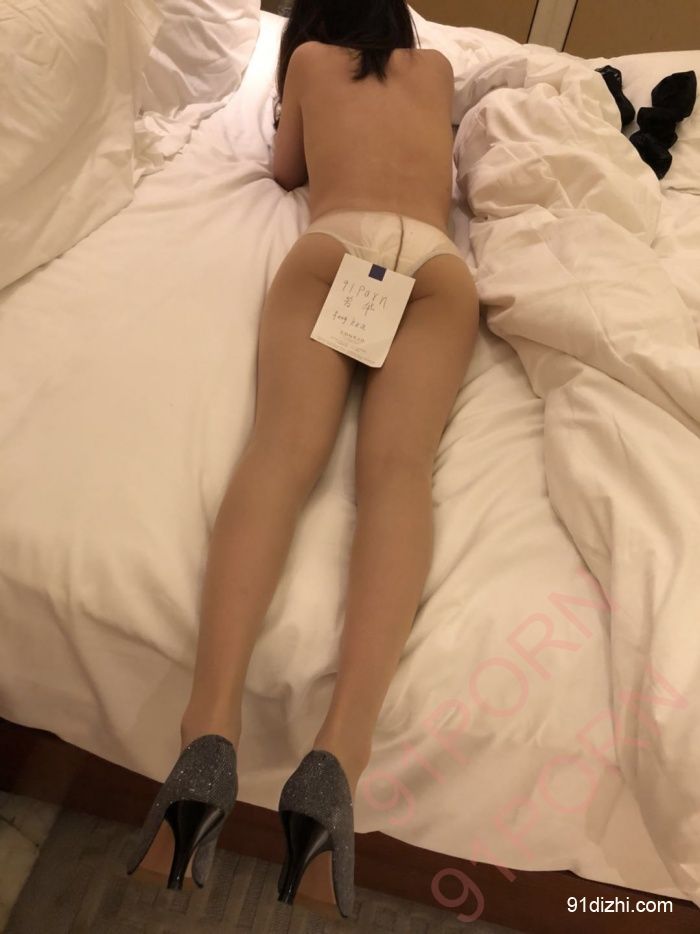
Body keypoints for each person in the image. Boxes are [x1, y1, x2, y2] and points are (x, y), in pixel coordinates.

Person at [125, 0, 480, 919]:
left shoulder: (311, 61)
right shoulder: (437, 71)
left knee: (280, 455)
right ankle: (338, 759)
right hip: (433, 265)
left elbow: (287, 170)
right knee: (398, 476)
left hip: (336, 250)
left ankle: (208, 732)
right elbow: (443, 179)